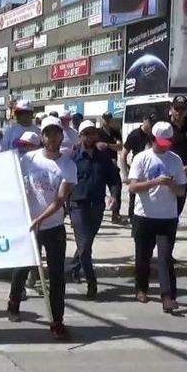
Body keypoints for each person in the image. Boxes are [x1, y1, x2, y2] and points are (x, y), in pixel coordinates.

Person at [11, 116, 77, 340]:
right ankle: (14, 301)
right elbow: (15, 184)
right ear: (42, 136)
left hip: (53, 226)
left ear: (61, 136)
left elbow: (60, 200)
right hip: (30, 224)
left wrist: (40, 218)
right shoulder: (29, 159)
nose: (52, 138)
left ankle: (57, 320)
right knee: (23, 266)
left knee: (56, 275)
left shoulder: (68, 165)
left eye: (56, 133)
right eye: (48, 133)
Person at [128, 122, 187, 313]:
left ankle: (168, 296)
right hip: (144, 215)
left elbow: (181, 191)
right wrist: (154, 182)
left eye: (168, 142)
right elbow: (133, 187)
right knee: (142, 256)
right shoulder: (141, 158)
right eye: (161, 142)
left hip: (167, 217)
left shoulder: (175, 160)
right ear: (153, 139)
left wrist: (171, 185)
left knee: (165, 257)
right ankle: (141, 288)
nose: (165, 145)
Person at [68, 121, 121, 299]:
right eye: (85, 133)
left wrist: (114, 195)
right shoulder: (73, 157)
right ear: (80, 135)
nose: (89, 136)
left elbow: (114, 179)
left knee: (86, 243)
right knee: (84, 247)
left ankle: (74, 269)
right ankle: (92, 282)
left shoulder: (103, 158)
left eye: (92, 133)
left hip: (97, 206)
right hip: (77, 206)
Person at [167, 96, 187, 216]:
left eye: (183, 109)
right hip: (164, 171)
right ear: (171, 108)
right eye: (176, 108)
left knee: (178, 206)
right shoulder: (164, 124)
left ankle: (172, 228)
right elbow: (152, 146)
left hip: (182, 172)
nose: (179, 112)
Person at [120, 113, 155, 219]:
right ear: (144, 120)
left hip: (151, 170)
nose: (151, 124)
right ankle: (133, 220)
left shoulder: (154, 135)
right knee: (134, 197)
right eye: (149, 121)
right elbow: (123, 155)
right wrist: (125, 175)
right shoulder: (134, 135)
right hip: (136, 170)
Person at [97, 112, 125, 224]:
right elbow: (97, 146)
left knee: (116, 188)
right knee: (99, 190)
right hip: (100, 165)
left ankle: (115, 213)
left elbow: (119, 146)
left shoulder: (115, 132)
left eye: (109, 118)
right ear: (102, 119)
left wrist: (107, 145)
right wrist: (109, 146)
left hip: (112, 165)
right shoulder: (98, 132)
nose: (107, 121)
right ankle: (98, 212)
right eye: (105, 119)